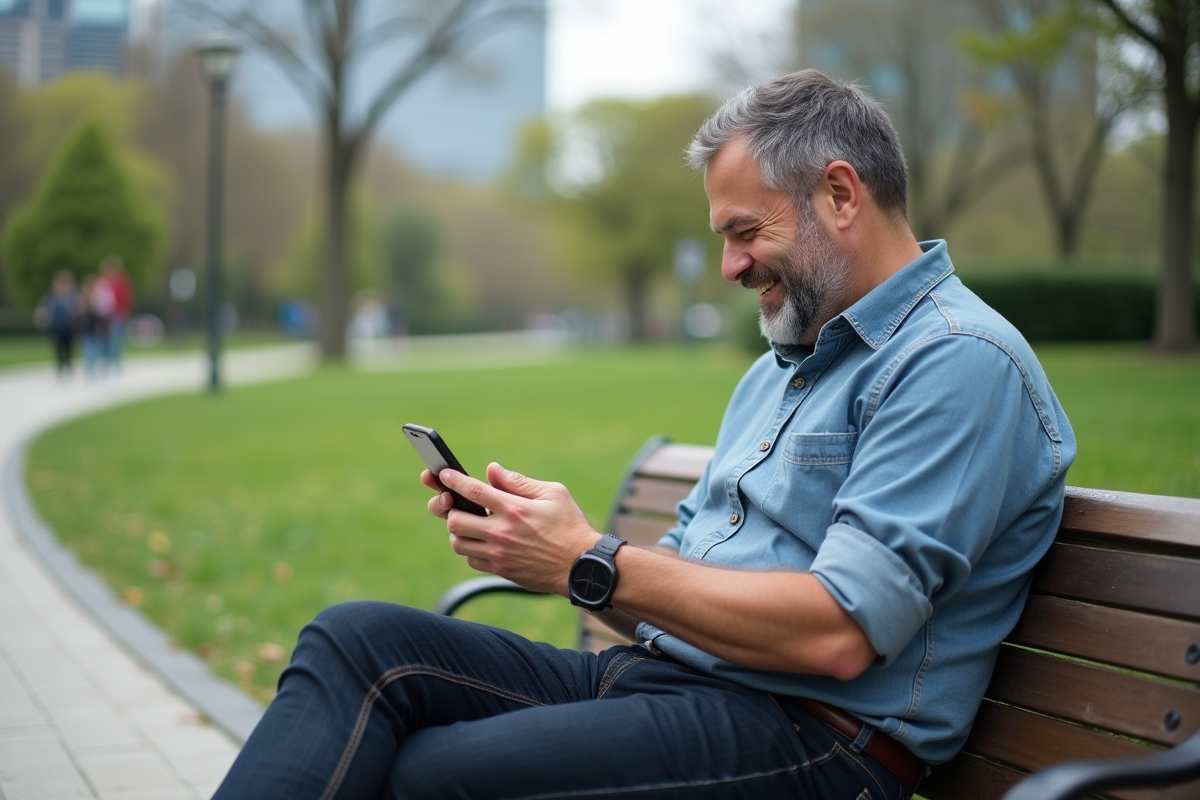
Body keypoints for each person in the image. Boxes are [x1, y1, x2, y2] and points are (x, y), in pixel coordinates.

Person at [213, 70, 1075, 800]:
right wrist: (549, 548)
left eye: (746, 232)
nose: (732, 267)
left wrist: (591, 560)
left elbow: (838, 634)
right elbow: (670, 588)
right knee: (355, 639)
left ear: (840, 195)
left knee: (433, 772)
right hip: (668, 682)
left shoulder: (956, 363)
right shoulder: (782, 367)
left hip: (814, 737)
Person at [34, 270, 81, 377]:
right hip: (56, 326)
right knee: (58, 348)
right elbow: (44, 307)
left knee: (69, 348)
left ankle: (68, 366)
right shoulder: (51, 294)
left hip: (70, 327)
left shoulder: (73, 294)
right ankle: (60, 367)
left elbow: (79, 307)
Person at [99, 255, 135, 371]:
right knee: (106, 340)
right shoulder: (103, 282)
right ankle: (107, 362)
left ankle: (115, 363)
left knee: (116, 341)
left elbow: (127, 298)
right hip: (105, 316)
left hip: (119, 315)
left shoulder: (122, 281)